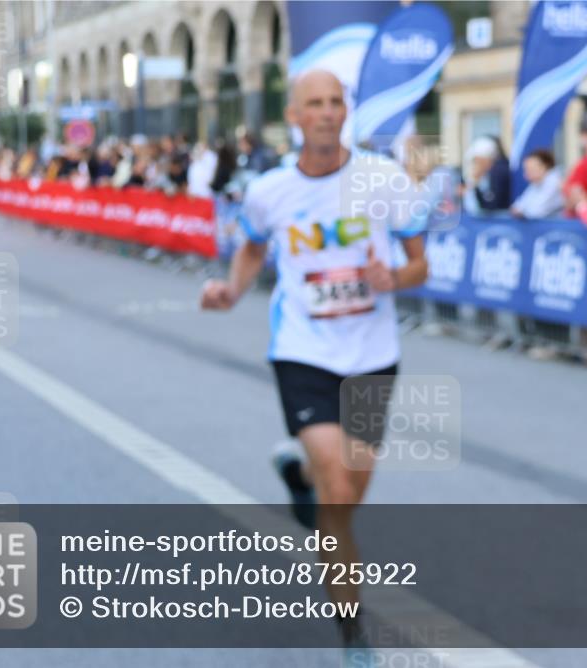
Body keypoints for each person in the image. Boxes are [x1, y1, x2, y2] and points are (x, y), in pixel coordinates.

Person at [200, 69, 428, 658]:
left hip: (372, 355)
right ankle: (353, 633)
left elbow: (420, 265)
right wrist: (231, 290)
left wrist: (394, 277)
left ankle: (298, 475)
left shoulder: (384, 180)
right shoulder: (270, 190)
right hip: (302, 350)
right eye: (316, 104)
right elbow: (252, 247)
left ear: (345, 112)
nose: (327, 112)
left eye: (335, 103)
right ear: (295, 116)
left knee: (347, 493)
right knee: (337, 483)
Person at [511, 149, 564, 219]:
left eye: (530, 169)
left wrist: (522, 211)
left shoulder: (554, 182)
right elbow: (517, 206)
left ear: (544, 167)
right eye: (526, 169)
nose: (526, 174)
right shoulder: (536, 183)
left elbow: (536, 211)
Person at [466, 135, 511, 212]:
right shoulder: (495, 170)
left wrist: (475, 184)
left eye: (477, 160)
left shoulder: (498, 172)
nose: (476, 164)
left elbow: (491, 206)